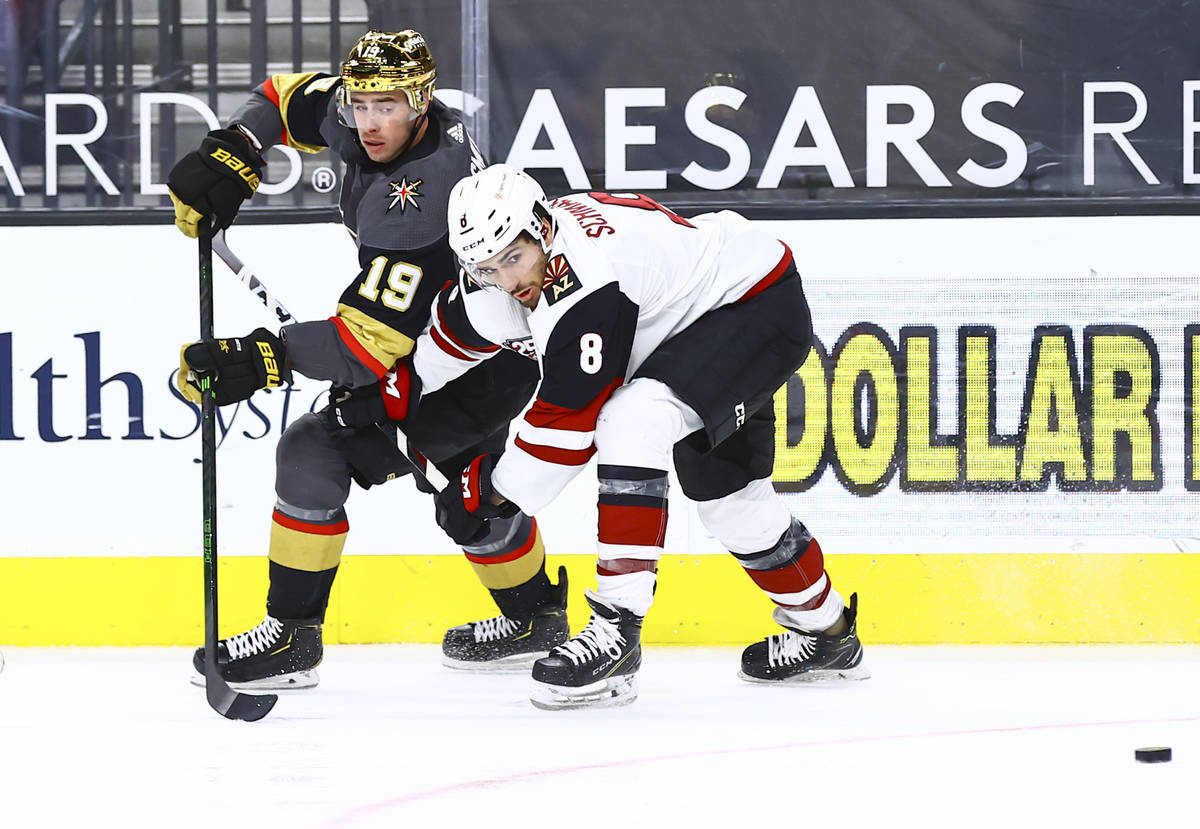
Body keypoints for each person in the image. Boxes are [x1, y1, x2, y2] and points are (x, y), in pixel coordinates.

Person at [169, 31, 569, 690]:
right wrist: (235, 149)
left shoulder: (421, 195)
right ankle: (536, 619)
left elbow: (363, 348)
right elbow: (281, 97)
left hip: (479, 357)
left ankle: (292, 638)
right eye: (361, 103)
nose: (371, 121)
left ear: (421, 100)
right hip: (461, 334)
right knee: (467, 490)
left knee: (314, 451)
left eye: (388, 105)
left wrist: (262, 358)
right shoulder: (357, 115)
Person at [413, 164, 868, 709]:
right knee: (733, 506)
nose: (511, 282)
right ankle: (830, 634)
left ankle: (616, 630)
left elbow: (567, 428)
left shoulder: (588, 280)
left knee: (632, 418)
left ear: (542, 227)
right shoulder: (498, 274)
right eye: (488, 269)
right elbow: (445, 339)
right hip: (686, 324)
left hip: (753, 306)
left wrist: (490, 492)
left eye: (513, 258)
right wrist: (388, 395)